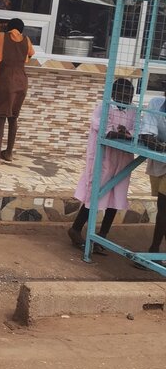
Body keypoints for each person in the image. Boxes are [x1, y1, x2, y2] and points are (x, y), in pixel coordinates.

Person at [67, 78, 135, 252]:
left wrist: (128, 133)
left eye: (129, 94)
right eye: (122, 93)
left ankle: (101, 238)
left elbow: (137, 128)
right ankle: (76, 229)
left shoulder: (133, 111)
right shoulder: (104, 107)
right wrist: (113, 132)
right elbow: (99, 125)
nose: (126, 97)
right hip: (104, 159)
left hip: (122, 160)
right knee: (96, 193)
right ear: (114, 94)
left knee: (115, 197)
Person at [0, 18, 34, 165]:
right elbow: (30, 53)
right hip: (22, 81)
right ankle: (9, 153)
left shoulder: (1, 36)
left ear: (9, 27)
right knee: (13, 117)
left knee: (0, 117)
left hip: (6, 81)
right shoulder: (27, 39)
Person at [137, 79, 166, 258]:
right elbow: (147, 134)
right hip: (160, 161)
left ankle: (153, 250)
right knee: (162, 205)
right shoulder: (156, 103)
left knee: (164, 206)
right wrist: (157, 144)